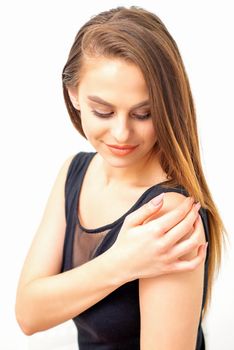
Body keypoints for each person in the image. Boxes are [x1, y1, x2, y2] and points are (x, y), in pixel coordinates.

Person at [15, 6, 226, 350]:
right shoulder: (74, 172)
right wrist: (123, 261)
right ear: (74, 96)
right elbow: (28, 314)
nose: (121, 133)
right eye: (103, 111)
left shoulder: (168, 213)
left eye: (144, 113)